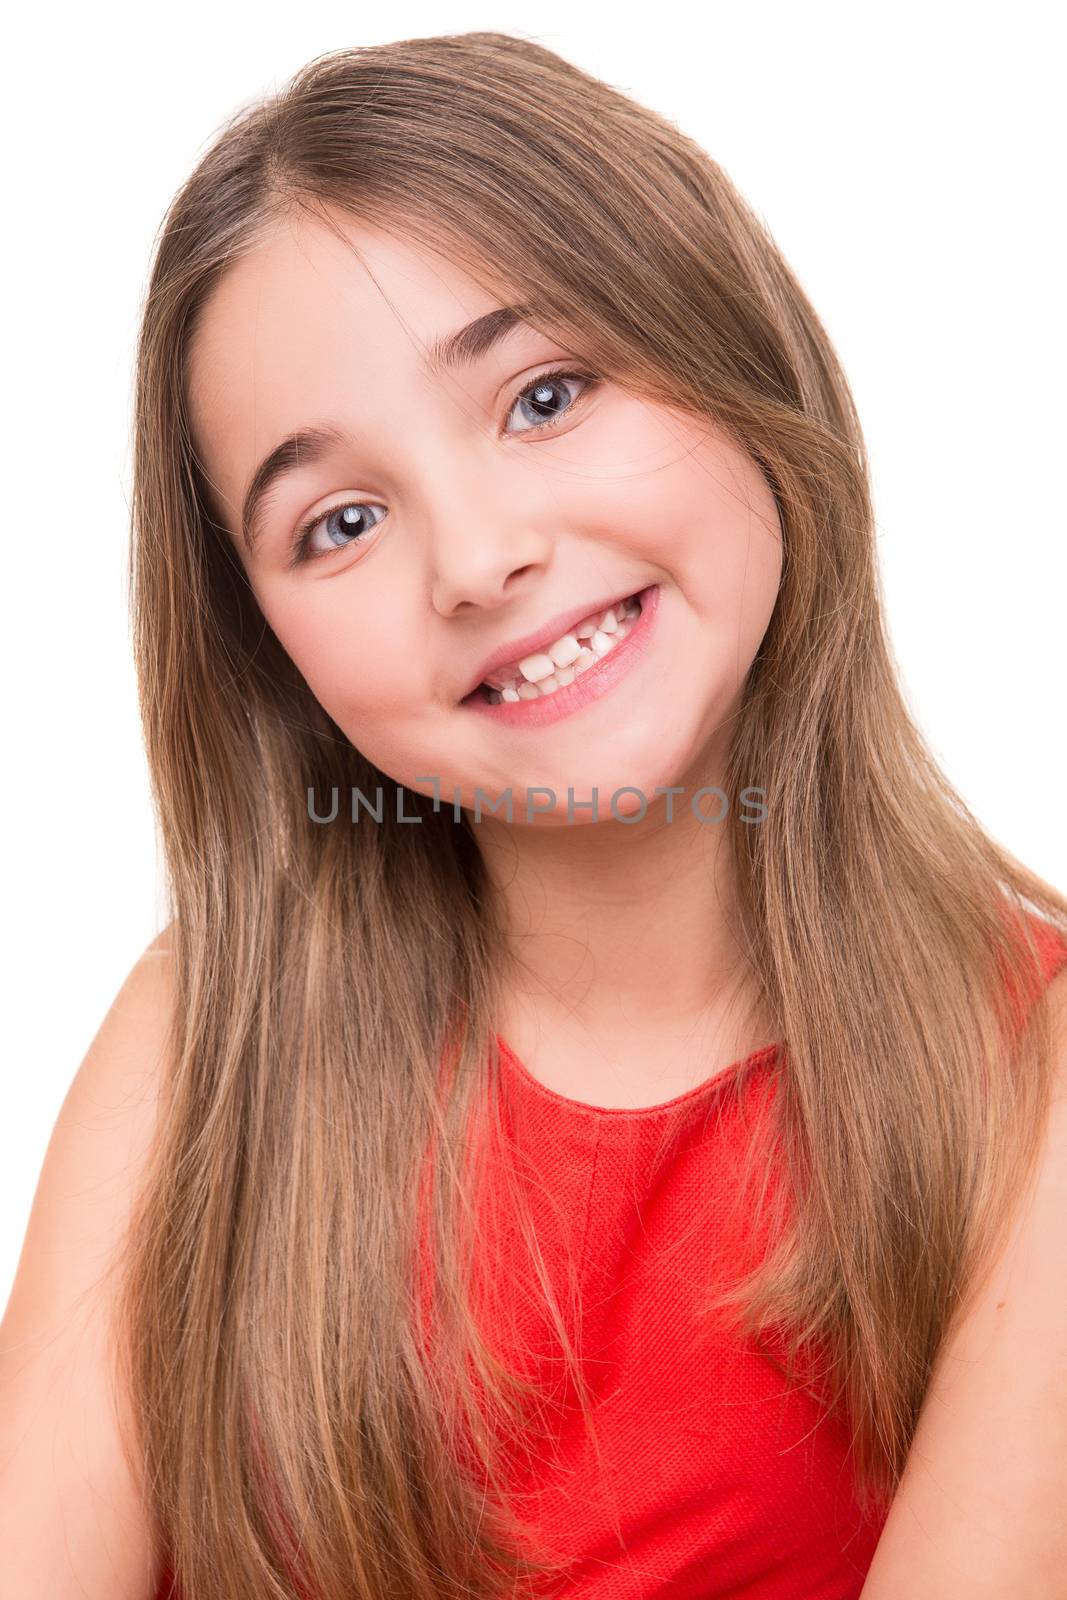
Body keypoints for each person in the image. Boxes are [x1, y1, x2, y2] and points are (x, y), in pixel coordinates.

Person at [3, 31, 1066, 1600]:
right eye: (341, 520)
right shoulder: (195, 1046)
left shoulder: (1027, 1076)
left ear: (735, 355)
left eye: (545, 393)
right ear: (272, 650)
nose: (478, 557)